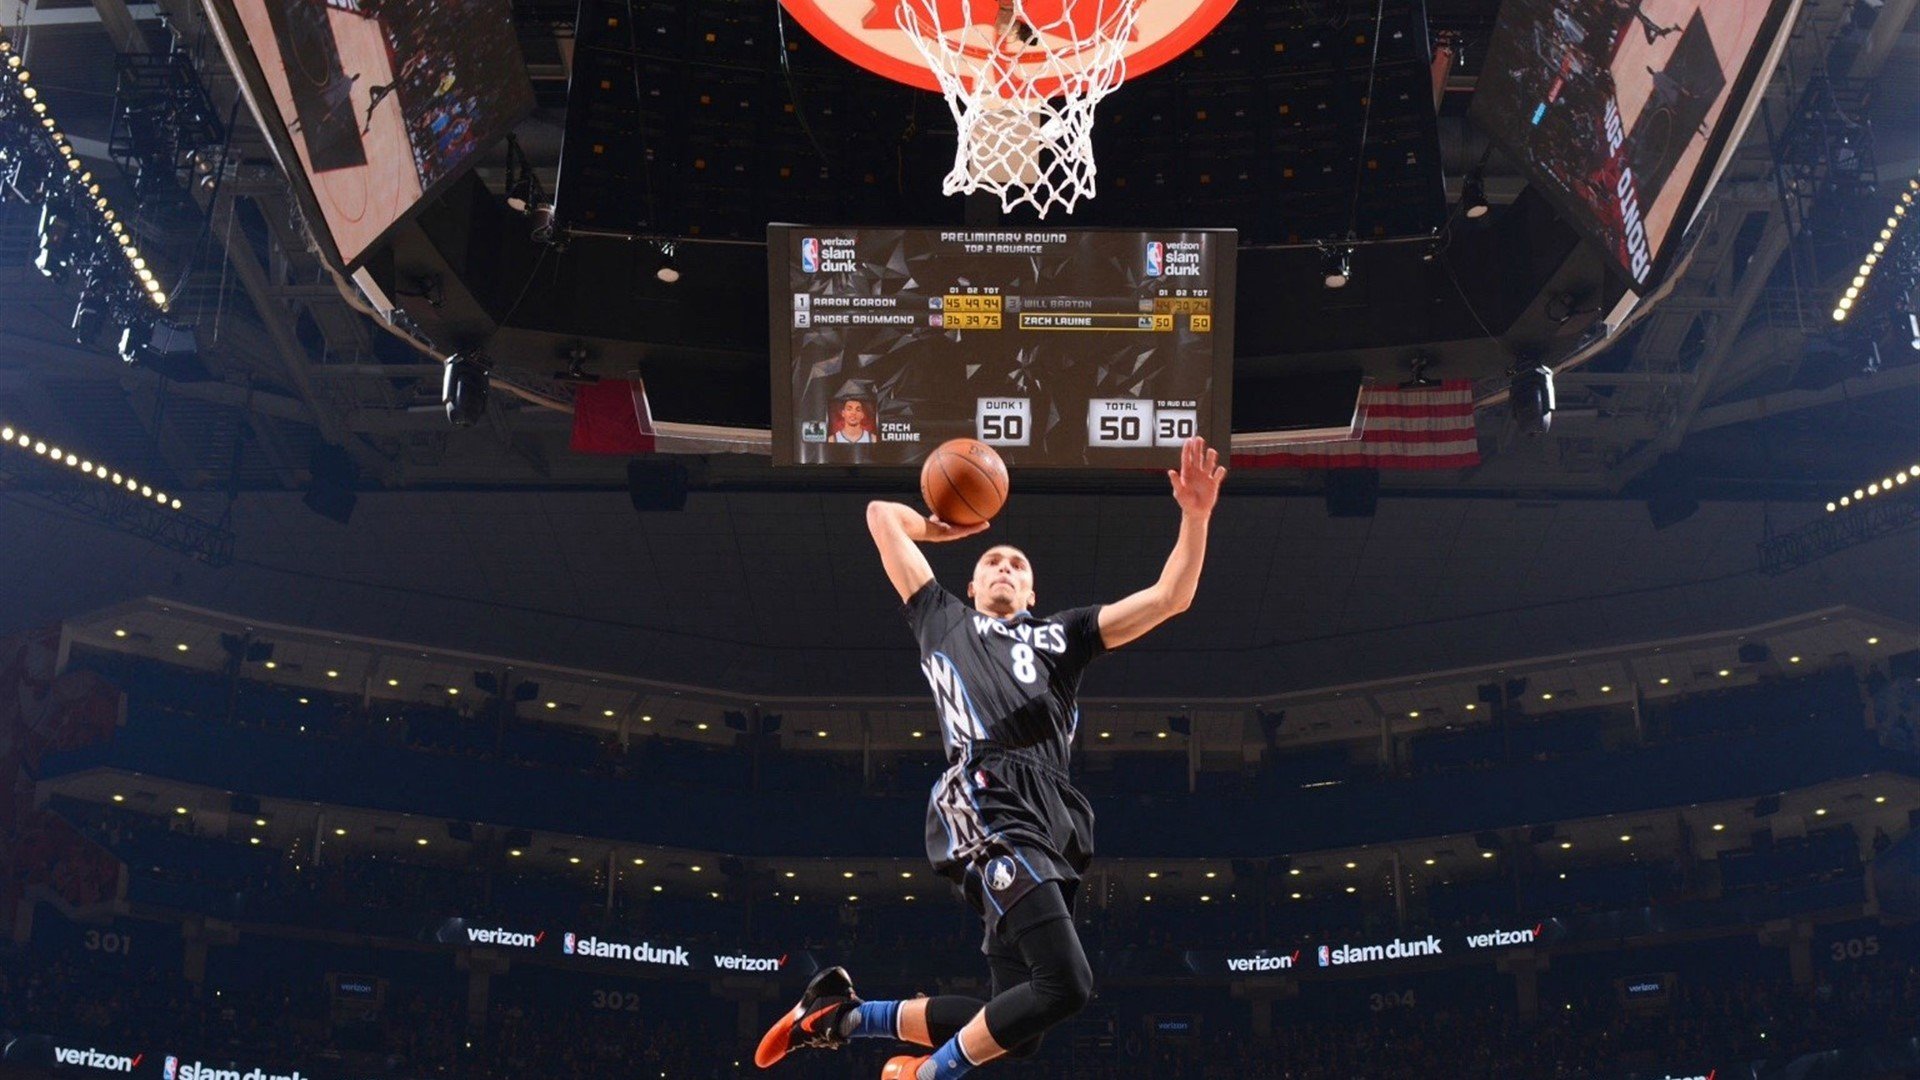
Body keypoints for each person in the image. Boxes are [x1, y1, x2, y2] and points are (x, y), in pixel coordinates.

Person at [756, 436, 1226, 1079]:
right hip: (986, 790)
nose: (1004, 567)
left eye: (1018, 565)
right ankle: (928, 1076)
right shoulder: (940, 617)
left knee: (1020, 1024)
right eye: (993, 561)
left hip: (1053, 812)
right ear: (972, 585)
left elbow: (1172, 596)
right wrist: (943, 527)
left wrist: (1195, 516)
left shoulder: (1065, 634)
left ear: (1032, 592)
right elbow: (879, 515)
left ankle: (840, 1015)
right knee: (1067, 985)